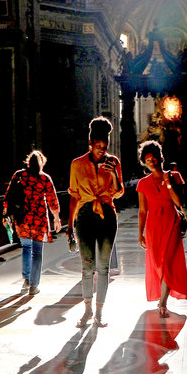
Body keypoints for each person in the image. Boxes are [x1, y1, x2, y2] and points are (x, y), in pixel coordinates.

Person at [67, 116, 124, 327]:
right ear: (90, 143)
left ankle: (99, 312)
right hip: (84, 216)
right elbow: (74, 196)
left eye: (105, 147)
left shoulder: (113, 162)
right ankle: (87, 310)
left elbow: (118, 192)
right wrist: (69, 226)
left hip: (107, 215)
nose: (102, 151)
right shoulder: (77, 164)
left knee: (103, 267)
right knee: (87, 266)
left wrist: (114, 174)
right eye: (98, 147)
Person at [137, 140, 187, 318]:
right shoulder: (143, 183)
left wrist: (167, 182)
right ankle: (161, 298)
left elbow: (178, 202)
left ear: (161, 158)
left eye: (154, 158)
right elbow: (142, 211)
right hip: (153, 226)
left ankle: (163, 303)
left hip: (171, 223)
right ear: (144, 162)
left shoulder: (174, 176)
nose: (151, 162)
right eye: (147, 160)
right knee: (157, 263)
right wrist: (140, 233)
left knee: (167, 263)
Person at [3, 150, 61, 296]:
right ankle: (34, 286)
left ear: (28, 162)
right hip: (39, 220)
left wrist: (5, 214)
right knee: (37, 252)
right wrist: (56, 218)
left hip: (22, 219)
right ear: (42, 163)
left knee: (26, 248)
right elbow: (52, 200)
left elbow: (8, 195)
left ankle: (27, 279)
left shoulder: (19, 175)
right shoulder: (45, 178)